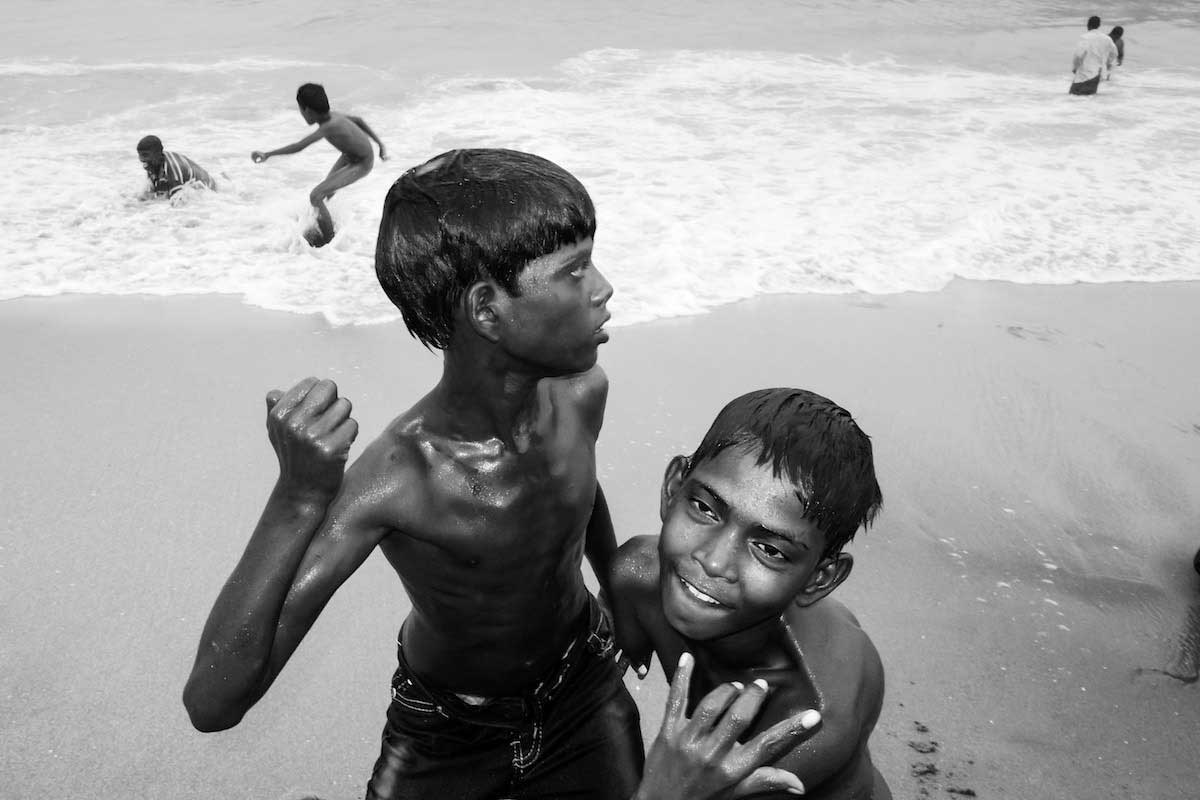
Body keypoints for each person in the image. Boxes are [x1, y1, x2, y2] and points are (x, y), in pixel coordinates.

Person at [181, 149, 817, 800]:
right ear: (487, 309)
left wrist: (612, 585)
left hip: (583, 685)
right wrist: (297, 496)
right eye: (575, 270)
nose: (603, 287)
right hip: (448, 730)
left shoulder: (581, 394)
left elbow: (575, 487)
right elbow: (214, 701)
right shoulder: (399, 482)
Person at [610, 387, 893, 799]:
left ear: (820, 578)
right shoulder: (635, 576)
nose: (713, 561)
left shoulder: (811, 718)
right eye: (706, 509)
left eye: (770, 550)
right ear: (673, 488)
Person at [251, 83, 388, 247]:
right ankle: (325, 227)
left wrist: (267, 154)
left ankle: (329, 243)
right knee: (325, 195)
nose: (301, 114)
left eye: (300, 110)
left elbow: (299, 146)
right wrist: (380, 144)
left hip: (362, 163)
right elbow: (359, 120)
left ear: (307, 111)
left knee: (316, 195)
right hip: (350, 156)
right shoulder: (334, 116)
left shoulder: (329, 127)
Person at [136, 135, 217, 198]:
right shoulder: (154, 162)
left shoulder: (173, 170)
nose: (141, 159)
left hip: (208, 191)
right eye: (140, 155)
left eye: (145, 155)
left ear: (158, 154)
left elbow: (175, 203)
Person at [1069, 16, 1119, 96]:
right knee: (1089, 100)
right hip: (1097, 75)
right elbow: (1114, 53)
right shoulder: (1107, 38)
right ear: (1098, 26)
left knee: (1073, 98)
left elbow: (1078, 55)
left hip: (1084, 75)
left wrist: (1075, 67)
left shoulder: (1085, 37)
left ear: (1088, 25)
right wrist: (1107, 64)